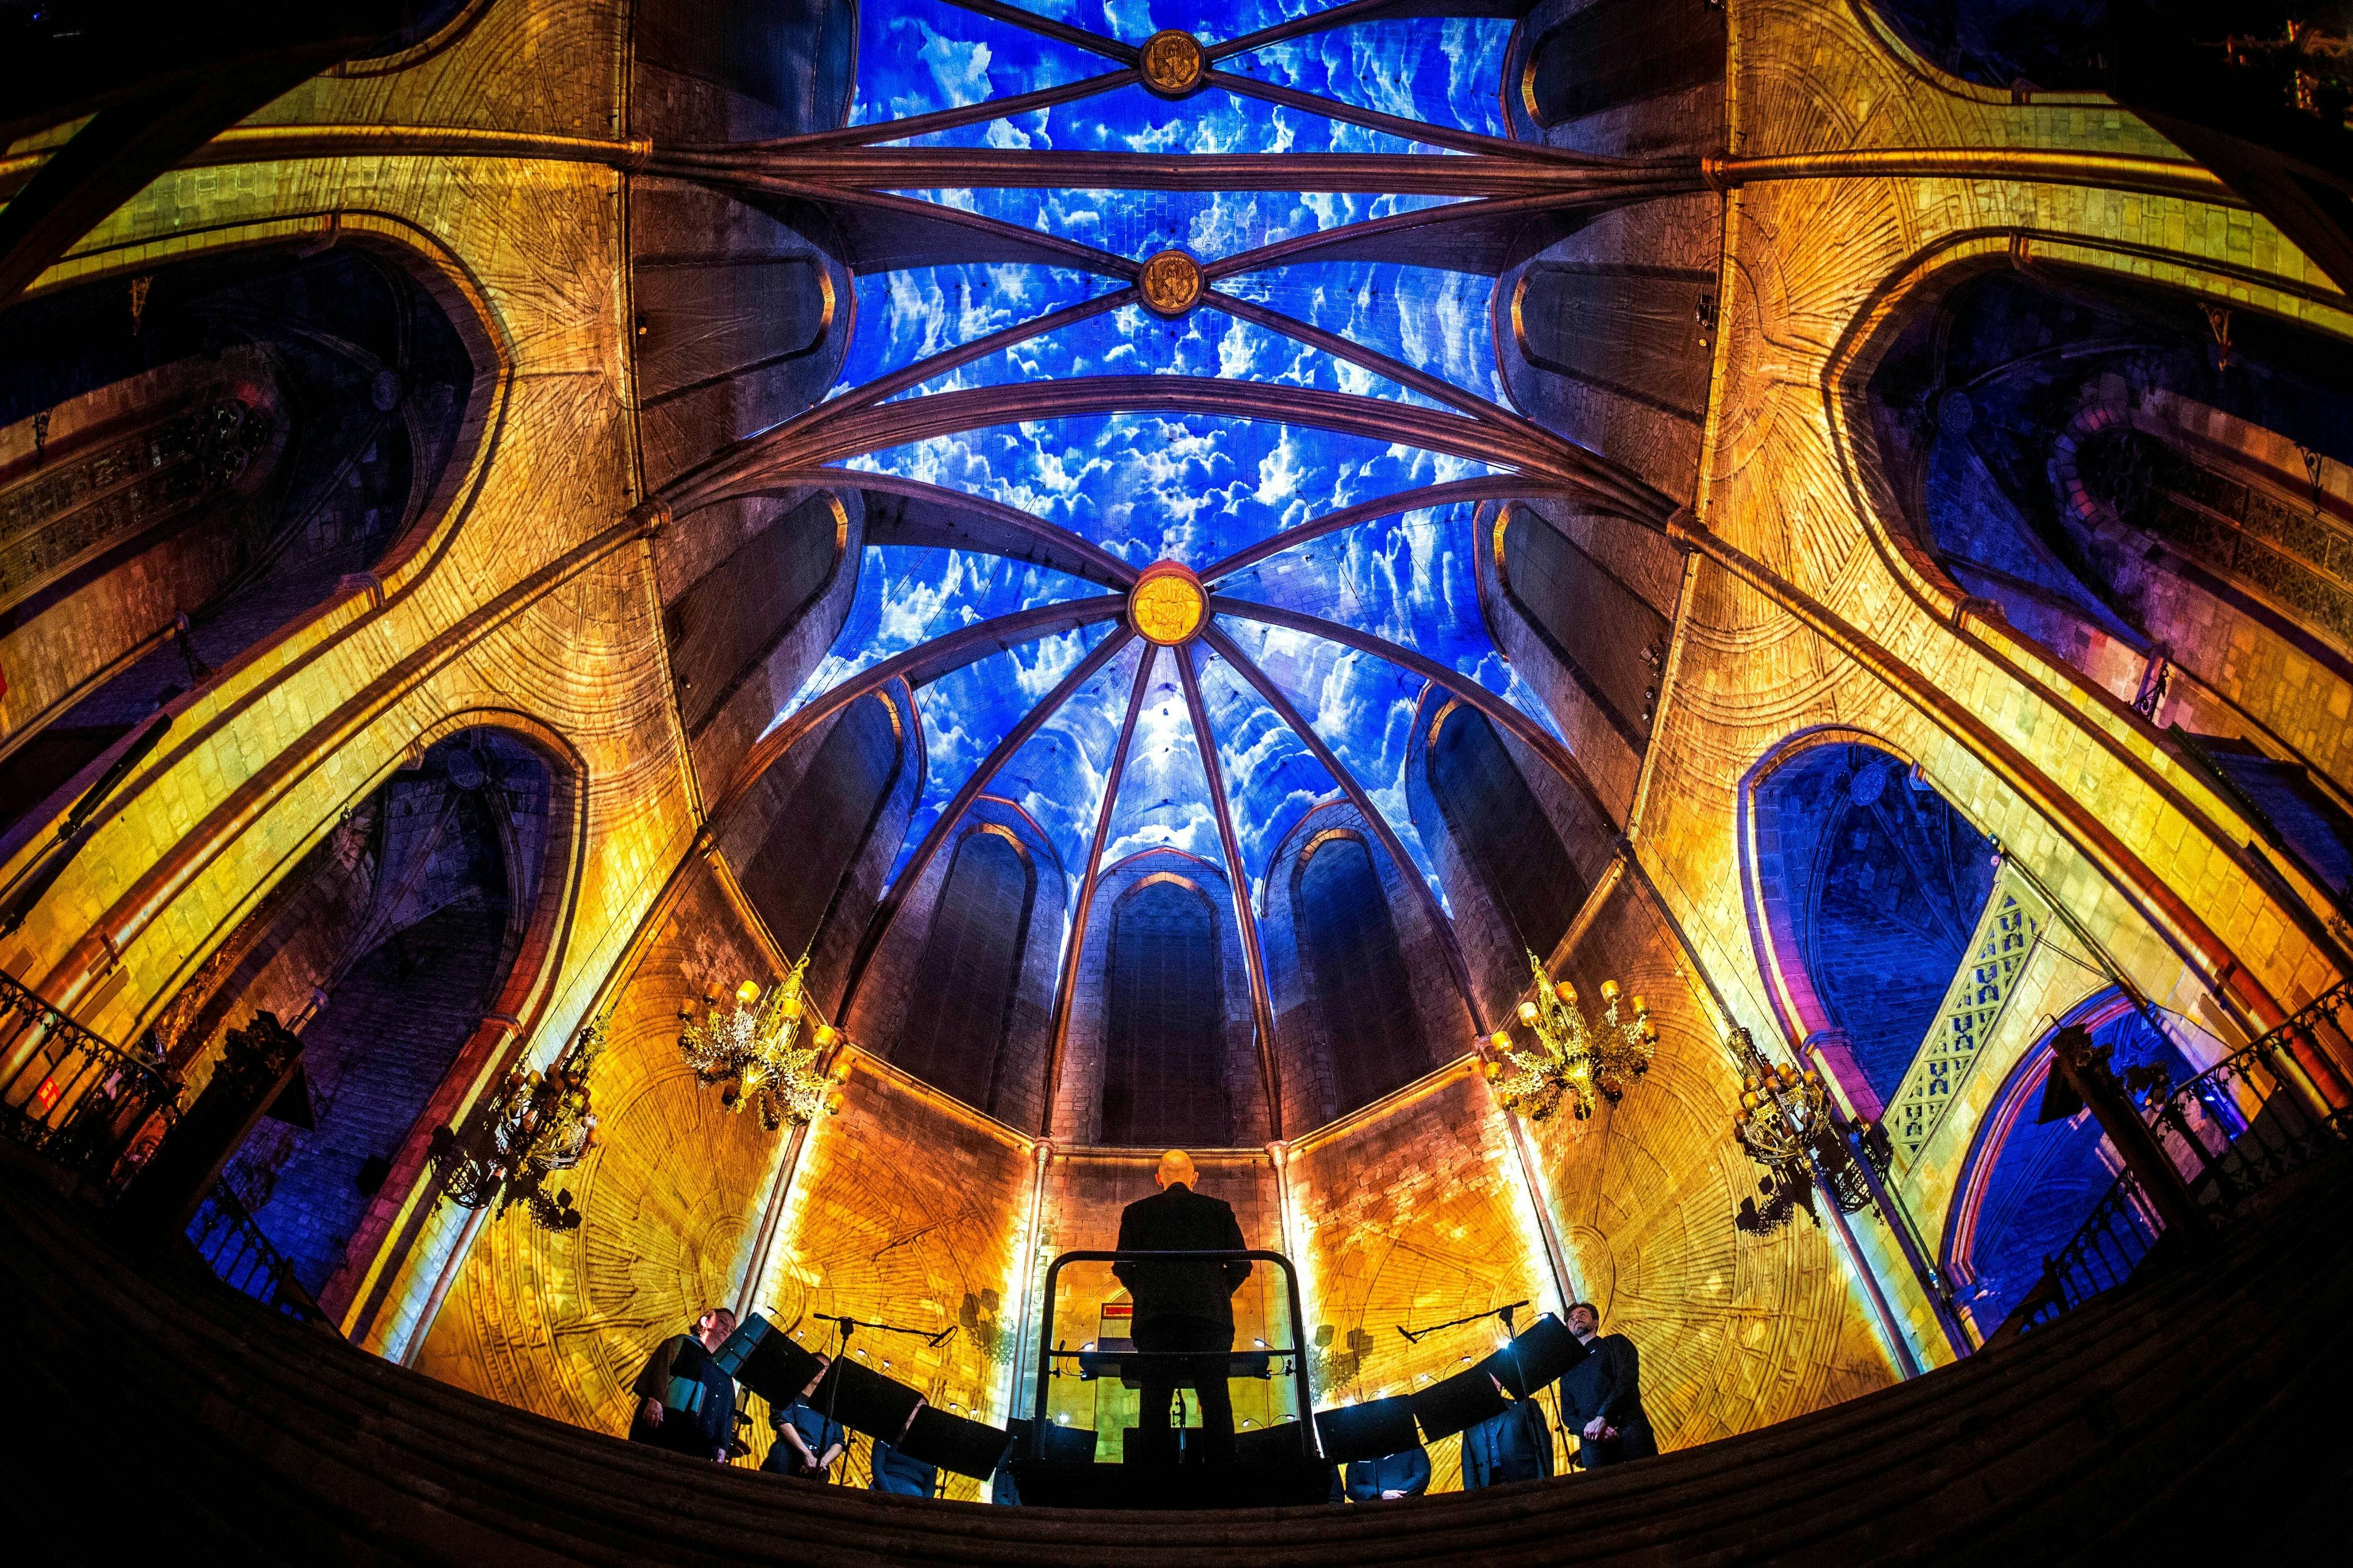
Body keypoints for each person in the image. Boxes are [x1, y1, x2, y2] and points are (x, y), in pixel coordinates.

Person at [1113, 1149, 1250, 1465]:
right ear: (1195, 1178)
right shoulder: (1219, 1210)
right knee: (1215, 1397)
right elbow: (1242, 1265)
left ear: (1158, 1178)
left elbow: (1122, 1267)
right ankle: (1223, 1482)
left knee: (1155, 1398)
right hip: (1210, 1321)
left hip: (1156, 1320)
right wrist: (1216, 1294)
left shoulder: (1136, 1213)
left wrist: (1147, 1293)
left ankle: (1154, 1483)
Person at [627, 1307, 738, 1461]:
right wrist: (655, 1399)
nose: (727, 1329)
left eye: (732, 1330)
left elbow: (727, 1410)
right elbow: (660, 1368)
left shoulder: (725, 1374)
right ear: (705, 1322)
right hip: (663, 1427)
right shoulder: (681, 1343)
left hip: (695, 1444)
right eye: (723, 1322)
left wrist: (722, 1445)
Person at [1556, 1301, 1656, 1468]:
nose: (1576, 1319)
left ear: (1595, 1322)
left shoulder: (1615, 1343)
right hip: (1593, 1443)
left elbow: (1626, 1380)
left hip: (1629, 1429)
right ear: (1568, 1330)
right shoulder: (1567, 1372)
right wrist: (1590, 1427)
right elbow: (1568, 1415)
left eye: (1582, 1314)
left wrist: (1603, 1418)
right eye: (1571, 1319)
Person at [1460, 1373, 1554, 1489]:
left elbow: (1543, 1447)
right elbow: (1468, 1465)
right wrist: (1472, 1498)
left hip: (1525, 1482)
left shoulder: (1523, 1407)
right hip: (1488, 1488)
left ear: (1499, 1383)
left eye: (1489, 1378)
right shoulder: (1471, 1422)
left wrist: (1544, 1483)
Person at [758, 1353, 842, 1479]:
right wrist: (806, 1454)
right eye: (820, 1366)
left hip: (819, 1461)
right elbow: (782, 1421)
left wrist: (822, 1463)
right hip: (790, 1451)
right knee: (780, 1457)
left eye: (827, 1369)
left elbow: (839, 1442)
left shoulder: (831, 1406)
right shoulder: (791, 1394)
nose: (823, 1371)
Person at [1344, 1445, 1432, 1502]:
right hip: (1374, 1516)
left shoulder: (1413, 1446)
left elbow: (1422, 1475)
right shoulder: (1357, 1456)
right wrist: (1383, 1494)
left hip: (1411, 1509)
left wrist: (1393, 1495)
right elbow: (1352, 1488)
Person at [870, 1435, 939, 1497]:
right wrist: (890, 1497)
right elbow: (877, 1468)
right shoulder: (886, 1437)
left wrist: (922, 1506)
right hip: (883, 1489)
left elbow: (930, 1487)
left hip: (915, 1500)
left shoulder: (932, 1450)